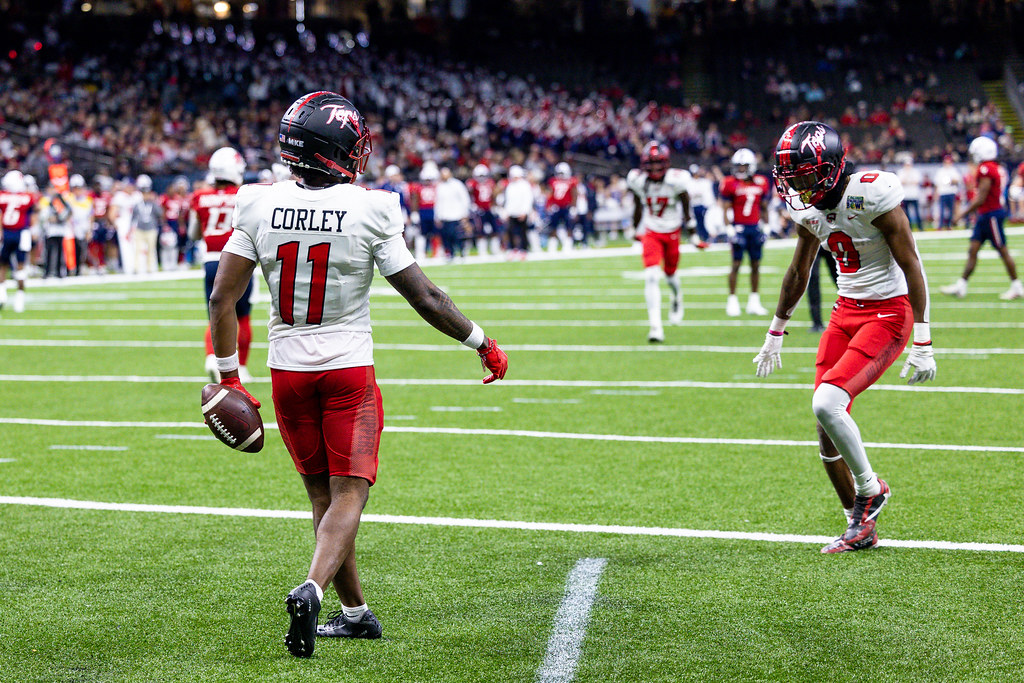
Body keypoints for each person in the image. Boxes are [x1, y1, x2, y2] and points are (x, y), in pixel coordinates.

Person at [206, 91, 508, 658]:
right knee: (349, 493)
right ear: (333, 150)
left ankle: (355, 614)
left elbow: (223, 299)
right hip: (346, 368)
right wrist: (481, 342)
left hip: (287, 370)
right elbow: (426, 296)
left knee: (322, 497)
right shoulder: (372, 208)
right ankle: (311, 588)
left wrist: (229, 377)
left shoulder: (256, 202)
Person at [754, 121, 937, 553]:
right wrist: (776, 330)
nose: (796, 185)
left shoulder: (871, 192)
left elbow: (911, 261)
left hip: (888, 313)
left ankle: (871, 489)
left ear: (831, 168)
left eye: (804, 175)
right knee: (825, 424)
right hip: (844, 312)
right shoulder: (807, 210)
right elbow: (799, 270)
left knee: (826, 402)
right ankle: (858, 524)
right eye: (790, 176)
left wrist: (924, 338)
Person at [189, 146, 255, 382]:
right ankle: (242, 366)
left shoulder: (200, 196)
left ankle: (211, 356)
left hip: (210, 261)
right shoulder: (243, 195)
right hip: (237, 259)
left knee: (215, 314)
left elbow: (194, 234)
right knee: (242, 315)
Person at [626, 141, 694, 343]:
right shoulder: (638, 181)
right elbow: (638, 205)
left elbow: (686, 204)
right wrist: (634, 227)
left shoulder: (677, 180)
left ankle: (677, 296)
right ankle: (655, 327)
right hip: (651, 231)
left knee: (670, 276)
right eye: (651, 163)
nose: (655, 167)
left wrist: (692, 231)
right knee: (651, 276)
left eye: (658, 162)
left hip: (672, 231)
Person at [940, 136, 1022, 300]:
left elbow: (981, 197)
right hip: (986, 215)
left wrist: (961, 214)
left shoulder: (986, 168)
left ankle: (1017, 286)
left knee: (1002, 250)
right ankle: (961, 285)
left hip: (991, 215)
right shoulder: (991, 167)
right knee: (973, 250)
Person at [720, 148, 771, 316]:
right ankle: (732, 301)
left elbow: (764, 207)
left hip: (754, 228)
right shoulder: (730, 183)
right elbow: (726, 209)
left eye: (744, 166)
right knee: (736, 264)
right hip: (738, 228)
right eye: (738, 166)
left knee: (755, 265)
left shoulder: (761, 182)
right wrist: (729, 229)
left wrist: (766, 226)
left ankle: (754, 302)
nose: (741, 169)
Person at [0, 170, 36, 311]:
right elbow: (33, 213)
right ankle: (20, 298)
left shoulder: (3, 196)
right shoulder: (27, 197)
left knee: (2, 265)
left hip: (6, 233)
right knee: (21, 266)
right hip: (22, 233)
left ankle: (2, 294)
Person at [434, 166, 472, 260]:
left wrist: (465, 213)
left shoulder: (457, 184)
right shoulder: (440, 186)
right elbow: (438, 202)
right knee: (447, 236)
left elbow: (465, 199)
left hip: (456, 215)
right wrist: (437, 216)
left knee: (458, 236)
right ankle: (450, 253)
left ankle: (462, 252)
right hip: (445, 216)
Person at [131, 174, 163, 275]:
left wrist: (155, 201)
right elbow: (133, 217)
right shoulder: (138, 204)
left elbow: (160, 213)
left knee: (151, 249)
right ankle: (136, 268)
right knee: (137, 249)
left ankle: (150, 268)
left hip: (151, 229)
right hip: (140, 229)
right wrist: (131, 228)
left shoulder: (153, 204)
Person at [545, 162, 580, 252]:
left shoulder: (572, 181)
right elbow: (550, 194)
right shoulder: (553, 181)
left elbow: (574, 194)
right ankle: (552, 246)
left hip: (567, 206)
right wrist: (549, 205)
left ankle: (568, 245)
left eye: (562, 173)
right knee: (553, 227)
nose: (560, 175)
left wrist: (574, 207)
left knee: (569, 227)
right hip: (556, 207)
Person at [933, 154, 961, 230]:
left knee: (951, 209)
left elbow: (957, 180)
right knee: (941, 210)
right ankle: (940, 225)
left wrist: (951, 181)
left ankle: (949, 225)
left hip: (951, 192)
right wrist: (936, 193)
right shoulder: (940, 171)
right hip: (943, 192)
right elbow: (936, 183)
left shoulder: (953, 170)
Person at [897, 156, 923, 231]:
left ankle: (920, 227)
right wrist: (909, 181)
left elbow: (917, 182)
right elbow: (901, 182)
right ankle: (909, 227)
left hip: (914, 195)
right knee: (906, 213)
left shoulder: (915, 171)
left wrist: (907, 182)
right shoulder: (901, 172)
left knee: (917, 212)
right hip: (905, 195)